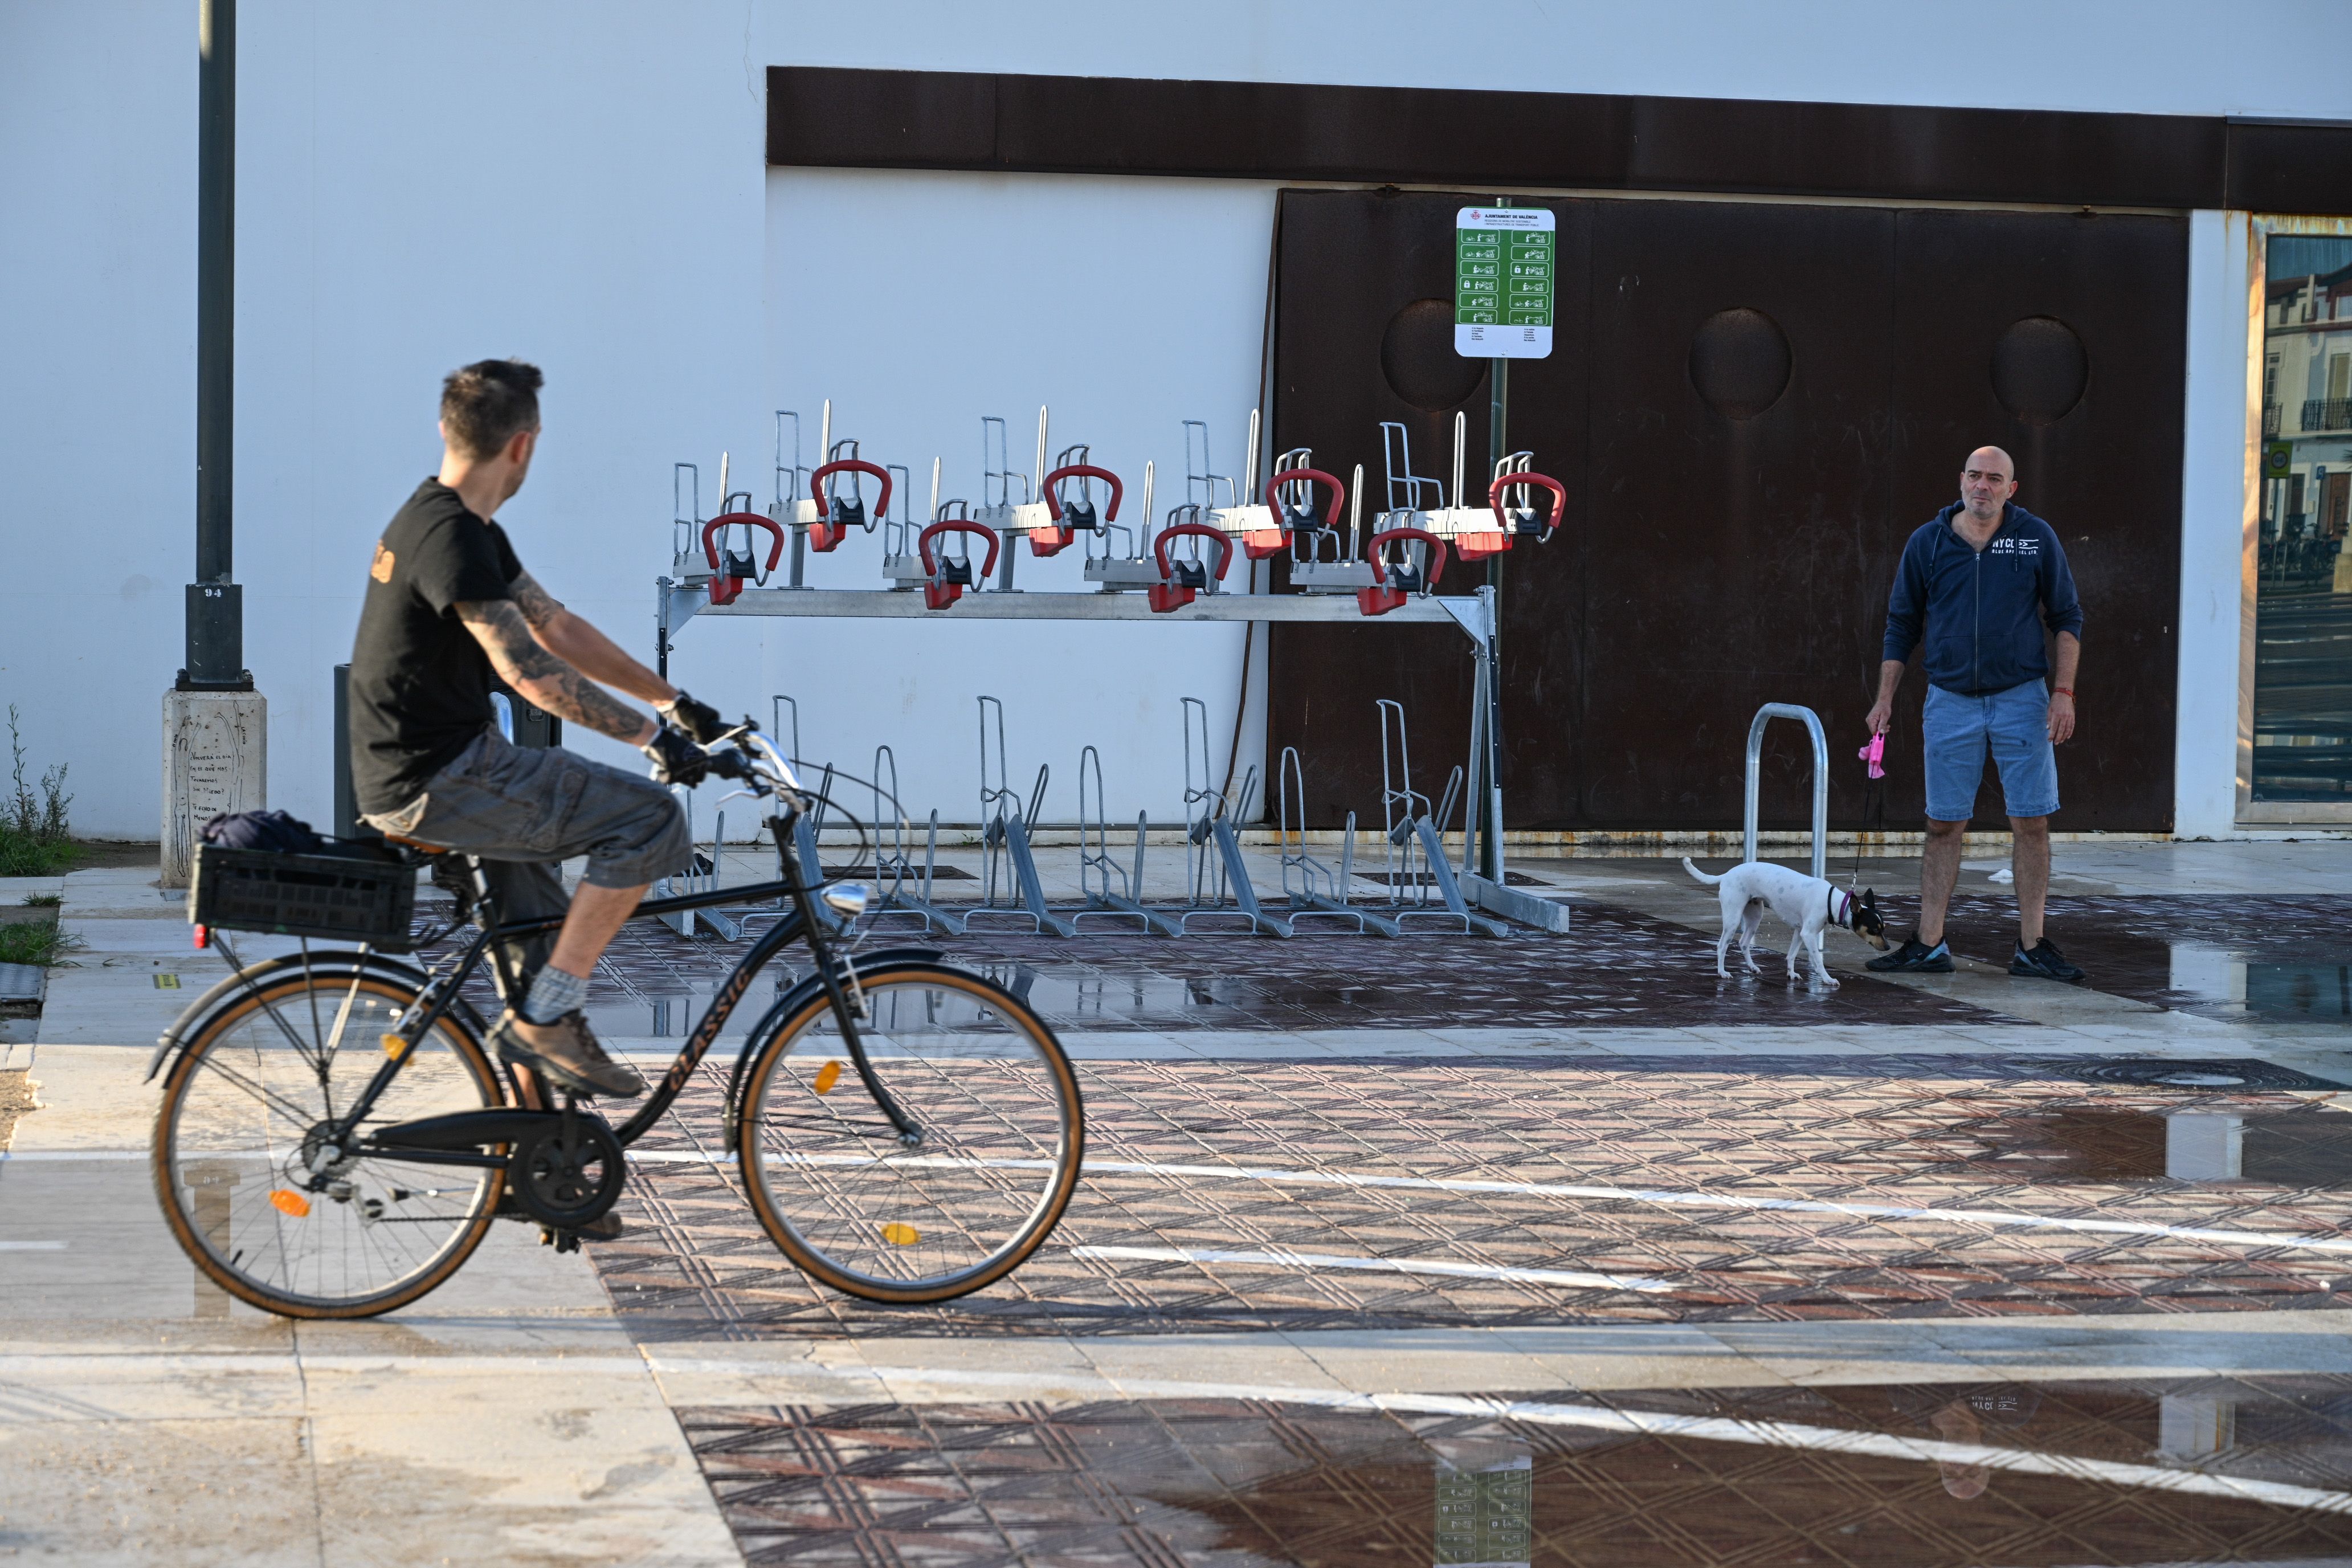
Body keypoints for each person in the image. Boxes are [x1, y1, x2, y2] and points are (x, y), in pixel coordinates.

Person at [348, 358, 726, 1098]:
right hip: (440, 778)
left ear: (446, 430)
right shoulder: (450, 537)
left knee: (538, 941)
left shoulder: (461, 525)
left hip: (445, 766)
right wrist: (654, 744)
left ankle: (538, 1156)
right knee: (650, 820)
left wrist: (673, 703)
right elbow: (528, 672)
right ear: (523, 445)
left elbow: (556, 626)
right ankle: (546, 1020)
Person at [1864, 446, 2085, 982]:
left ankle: (2032, 946)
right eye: (1973, 476)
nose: (1981, 486)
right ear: (1960, 480)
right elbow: (1901, 625)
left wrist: (2063, 691)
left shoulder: (2034, 538)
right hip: (1950, 701)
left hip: (2022, 698)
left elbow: (2067, 616)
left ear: (2012, 489)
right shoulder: (1930, 542)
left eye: (1994, 479)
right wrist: (1885, 698)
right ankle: (1929, 942)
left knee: (2031, 821)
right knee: (1943, 823)